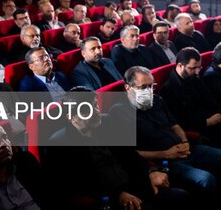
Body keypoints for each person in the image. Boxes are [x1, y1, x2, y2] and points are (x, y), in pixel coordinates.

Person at [110, 66, 221, 210]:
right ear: (128, 88)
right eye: (143, 87)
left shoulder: (157, 100)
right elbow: (128, 154)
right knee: (206, 180)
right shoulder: (118, 112)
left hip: (185, 149)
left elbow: (175, 125)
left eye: (151, 86)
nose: (148, 91)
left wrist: (184, 140)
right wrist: (166, 154)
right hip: (163, 161)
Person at [45, 87, 191, 209]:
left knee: (181, 196)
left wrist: (151, 172)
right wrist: (116, 195)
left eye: (95, 105)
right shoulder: (59, 144)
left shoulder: (107, 122)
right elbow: (74, 186)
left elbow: (129, 154)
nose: (96, 113)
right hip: (107, 199)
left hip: (135, 184)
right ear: (71, 117)